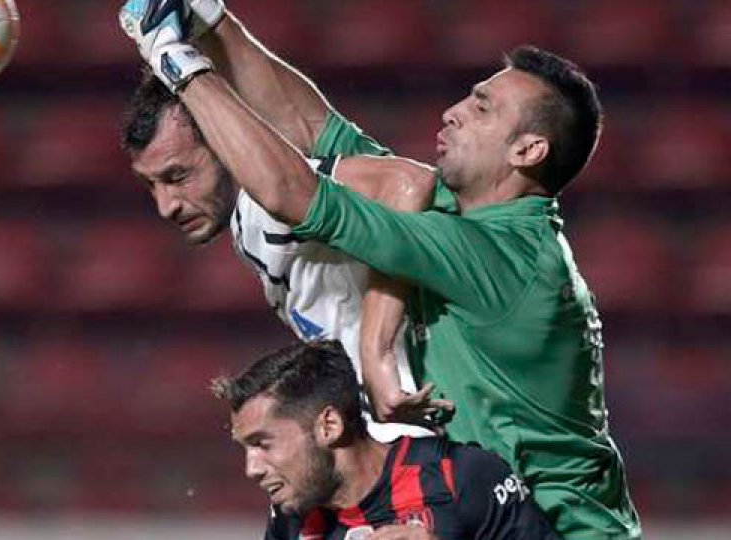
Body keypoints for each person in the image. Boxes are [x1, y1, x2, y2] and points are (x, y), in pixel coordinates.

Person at [117, 1, 642, 538]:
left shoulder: (504, 258)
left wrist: (177, 61)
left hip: (556, 529)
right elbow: (311, 127)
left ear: (528, 150)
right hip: (482, 516)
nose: (453, 111)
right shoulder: (454, 215)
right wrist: (212, 21)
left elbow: (292, 193)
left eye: (482, 108)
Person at [122, 73, 454, 441]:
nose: (165, 206)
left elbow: (405, 183)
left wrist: (376, 351)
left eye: (177, 176)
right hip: (398, 443)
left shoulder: (273, 201)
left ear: (226, 144)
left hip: (420, 447)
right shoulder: (249, 221)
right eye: (150, 185)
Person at [214, 340, 560, 540]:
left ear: (329, 426)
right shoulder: (291, 518)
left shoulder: (460, 476)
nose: (251, 470)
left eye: (263, 444)